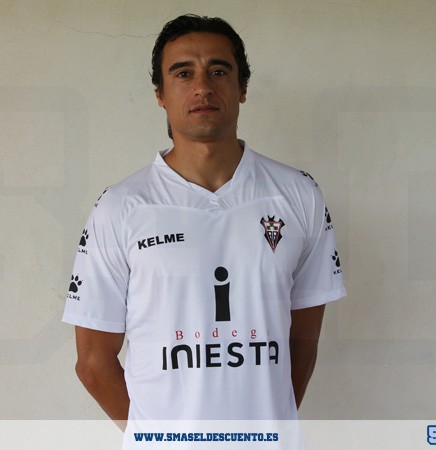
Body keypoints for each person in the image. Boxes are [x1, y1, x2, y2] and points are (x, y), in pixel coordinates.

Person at [63, 13, 346, 433]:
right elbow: (92, 362)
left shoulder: (298, 195)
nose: (202, 87)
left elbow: (303, 344)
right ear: (160, 94)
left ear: (242, 87)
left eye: (218, 71)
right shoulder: (120, 208)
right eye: (183, 73)